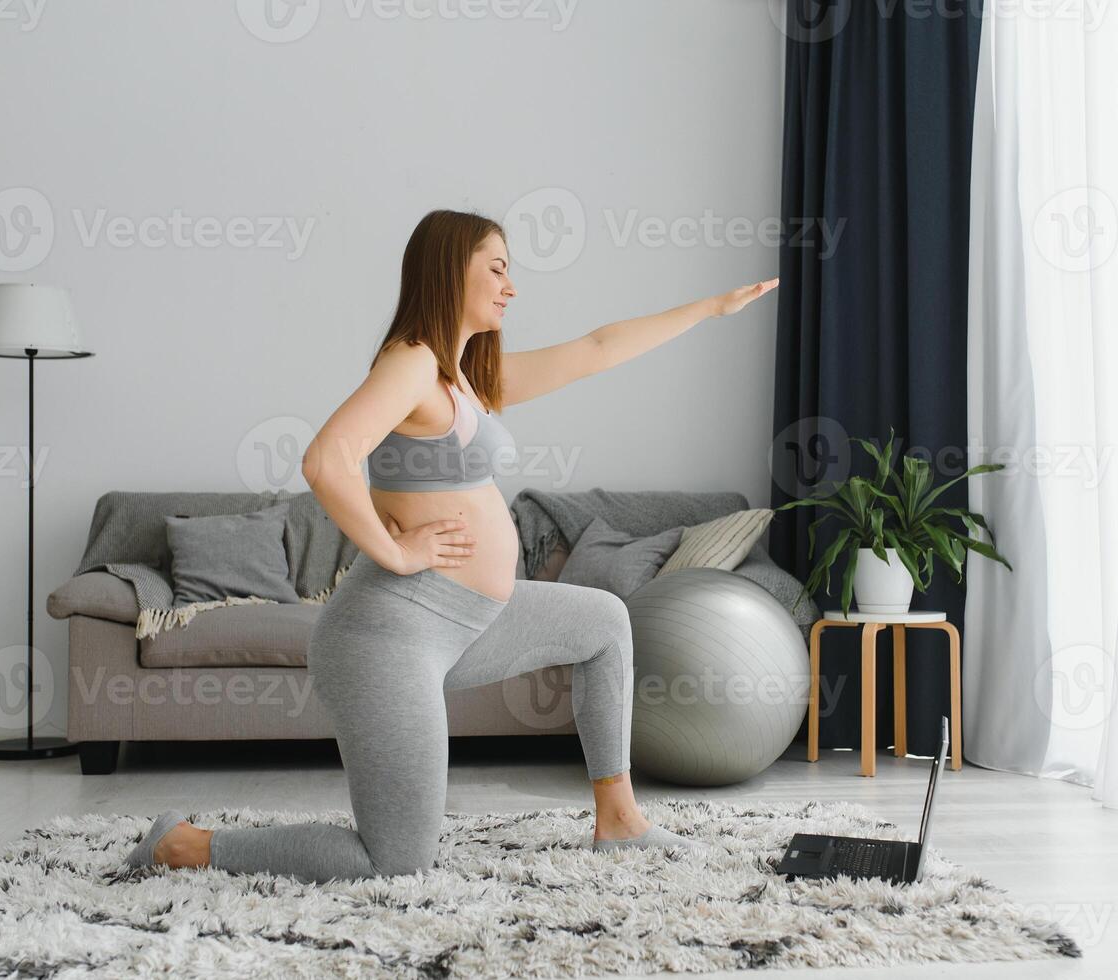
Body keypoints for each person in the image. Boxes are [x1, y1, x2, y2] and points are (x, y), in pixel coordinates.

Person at [125, 208, 778, 883]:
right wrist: (397, 552)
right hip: (388, 638)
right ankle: (184, 846)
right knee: (397, 860)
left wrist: (708, 309)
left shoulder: (462, 375)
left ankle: (619, 820)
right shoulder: (410, 361)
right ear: (449, 268)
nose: (510, 286)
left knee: (605, 623)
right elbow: (327, 459)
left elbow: (595, 350)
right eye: (497, 267)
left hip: (469, 624)